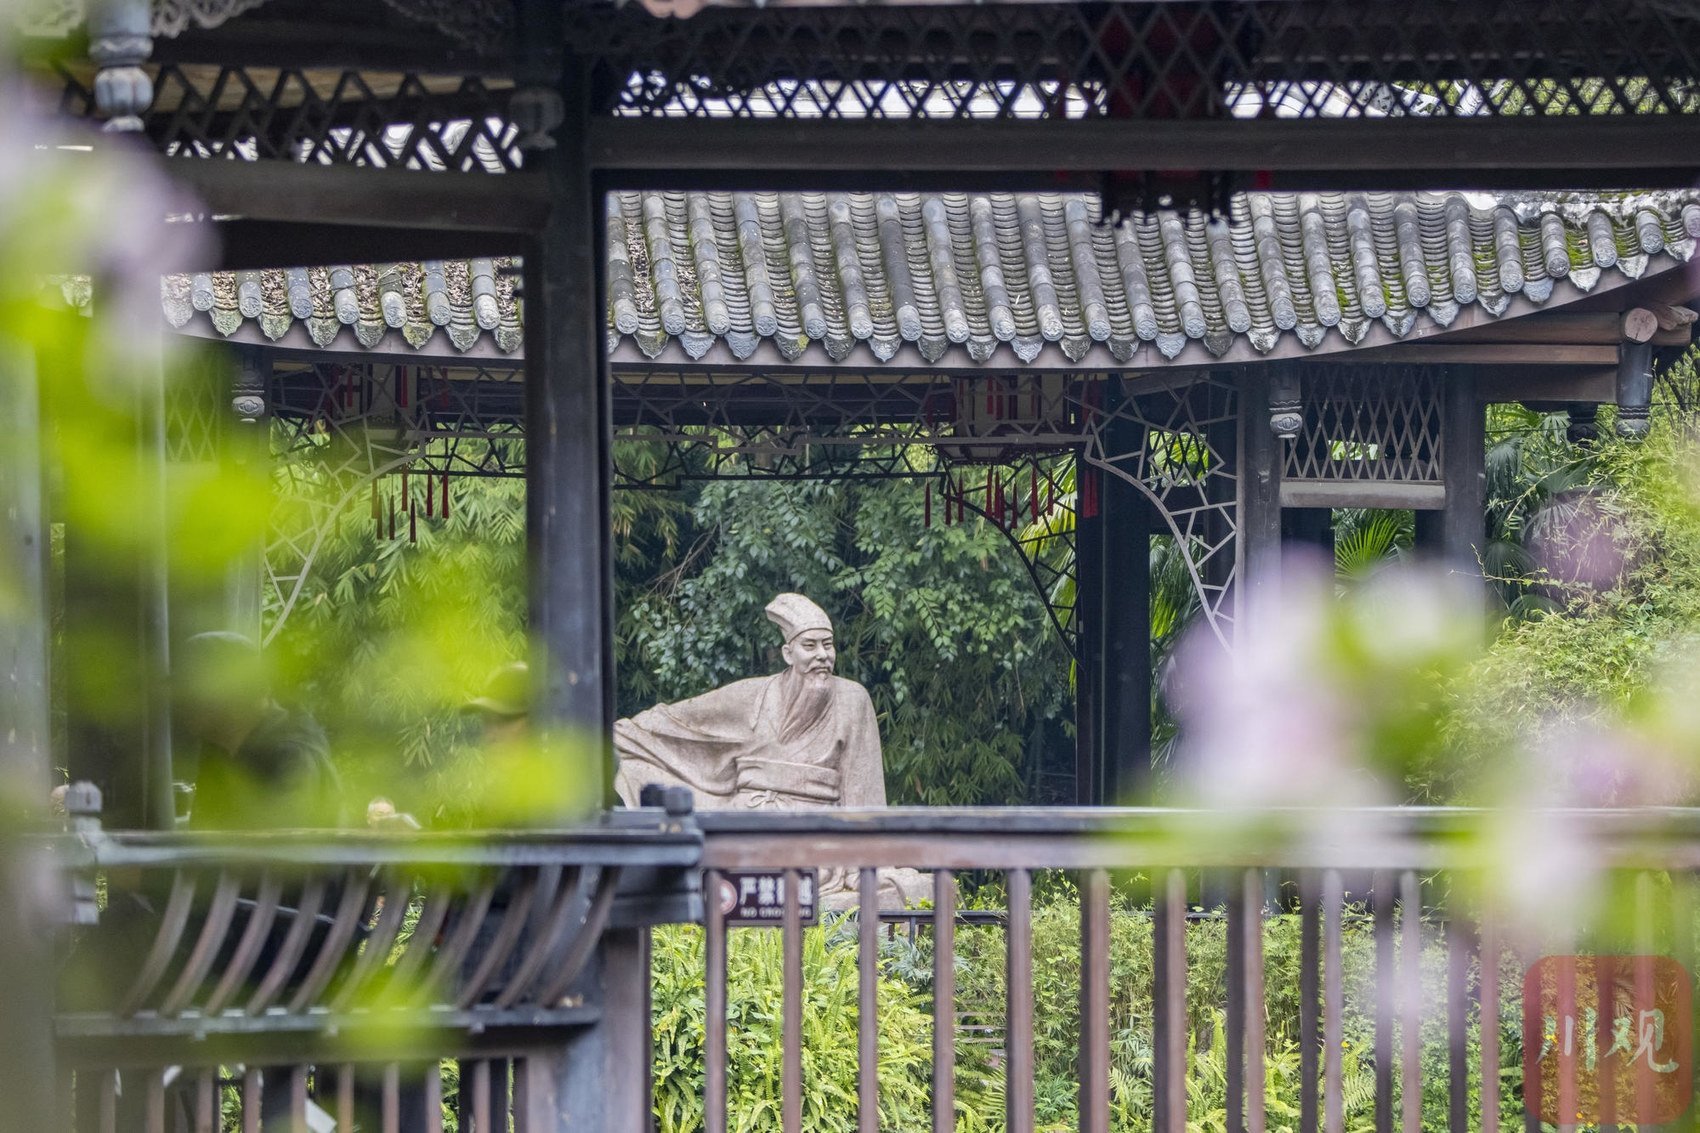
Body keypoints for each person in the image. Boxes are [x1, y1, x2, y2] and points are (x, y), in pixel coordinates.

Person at [614, 593, 924, 906]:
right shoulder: (752, 696)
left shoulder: (853, 699)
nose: (822, 655)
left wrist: (869, 858)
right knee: (636, 773)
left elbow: (863, 790)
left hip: (811, 834)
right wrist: (615, 735)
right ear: (788, 653)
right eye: (810, 646)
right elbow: (675, 723)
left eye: (828, 645)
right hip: (742, 822)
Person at [172, 630, 342, 830]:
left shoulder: (292, 757)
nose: (180, 702)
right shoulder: (219, 749)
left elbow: (279, 847)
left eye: (193, 691)